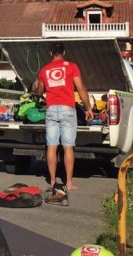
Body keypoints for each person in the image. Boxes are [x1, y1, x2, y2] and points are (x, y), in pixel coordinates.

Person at [33, 42, 93, 199]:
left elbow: (39, 91)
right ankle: (69, 182)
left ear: (50, 53)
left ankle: (52, 181)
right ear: (64, 52)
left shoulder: (44, 70)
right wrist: (88, 108)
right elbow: (81, 89)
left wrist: (37, 86)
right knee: (68, 147)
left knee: (51, 146)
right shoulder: (72, 66)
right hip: (68, 109)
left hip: (51, 109)